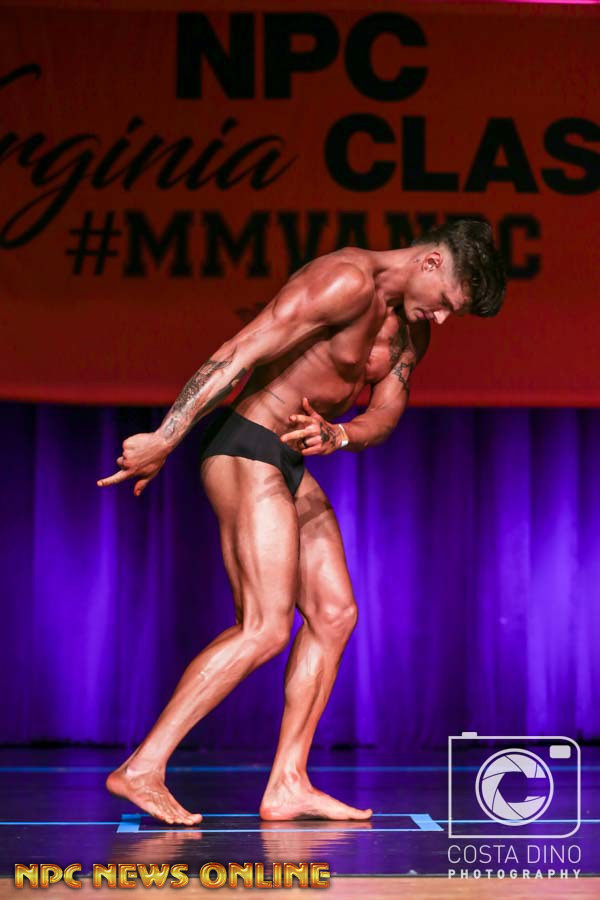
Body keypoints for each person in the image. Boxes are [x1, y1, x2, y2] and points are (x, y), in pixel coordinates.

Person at [97, 219, 505, 825]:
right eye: (446, 302)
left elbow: (386, 414)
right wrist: (166, 435)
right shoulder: (344, 280)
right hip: (247, 442)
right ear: (429, 263)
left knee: (335, 614)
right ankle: (141, 768)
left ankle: (287, 782)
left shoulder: (410, 330)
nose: (442, 318)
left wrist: (342, 434)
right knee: (264, 628)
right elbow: (240, 350)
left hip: (287, 460)